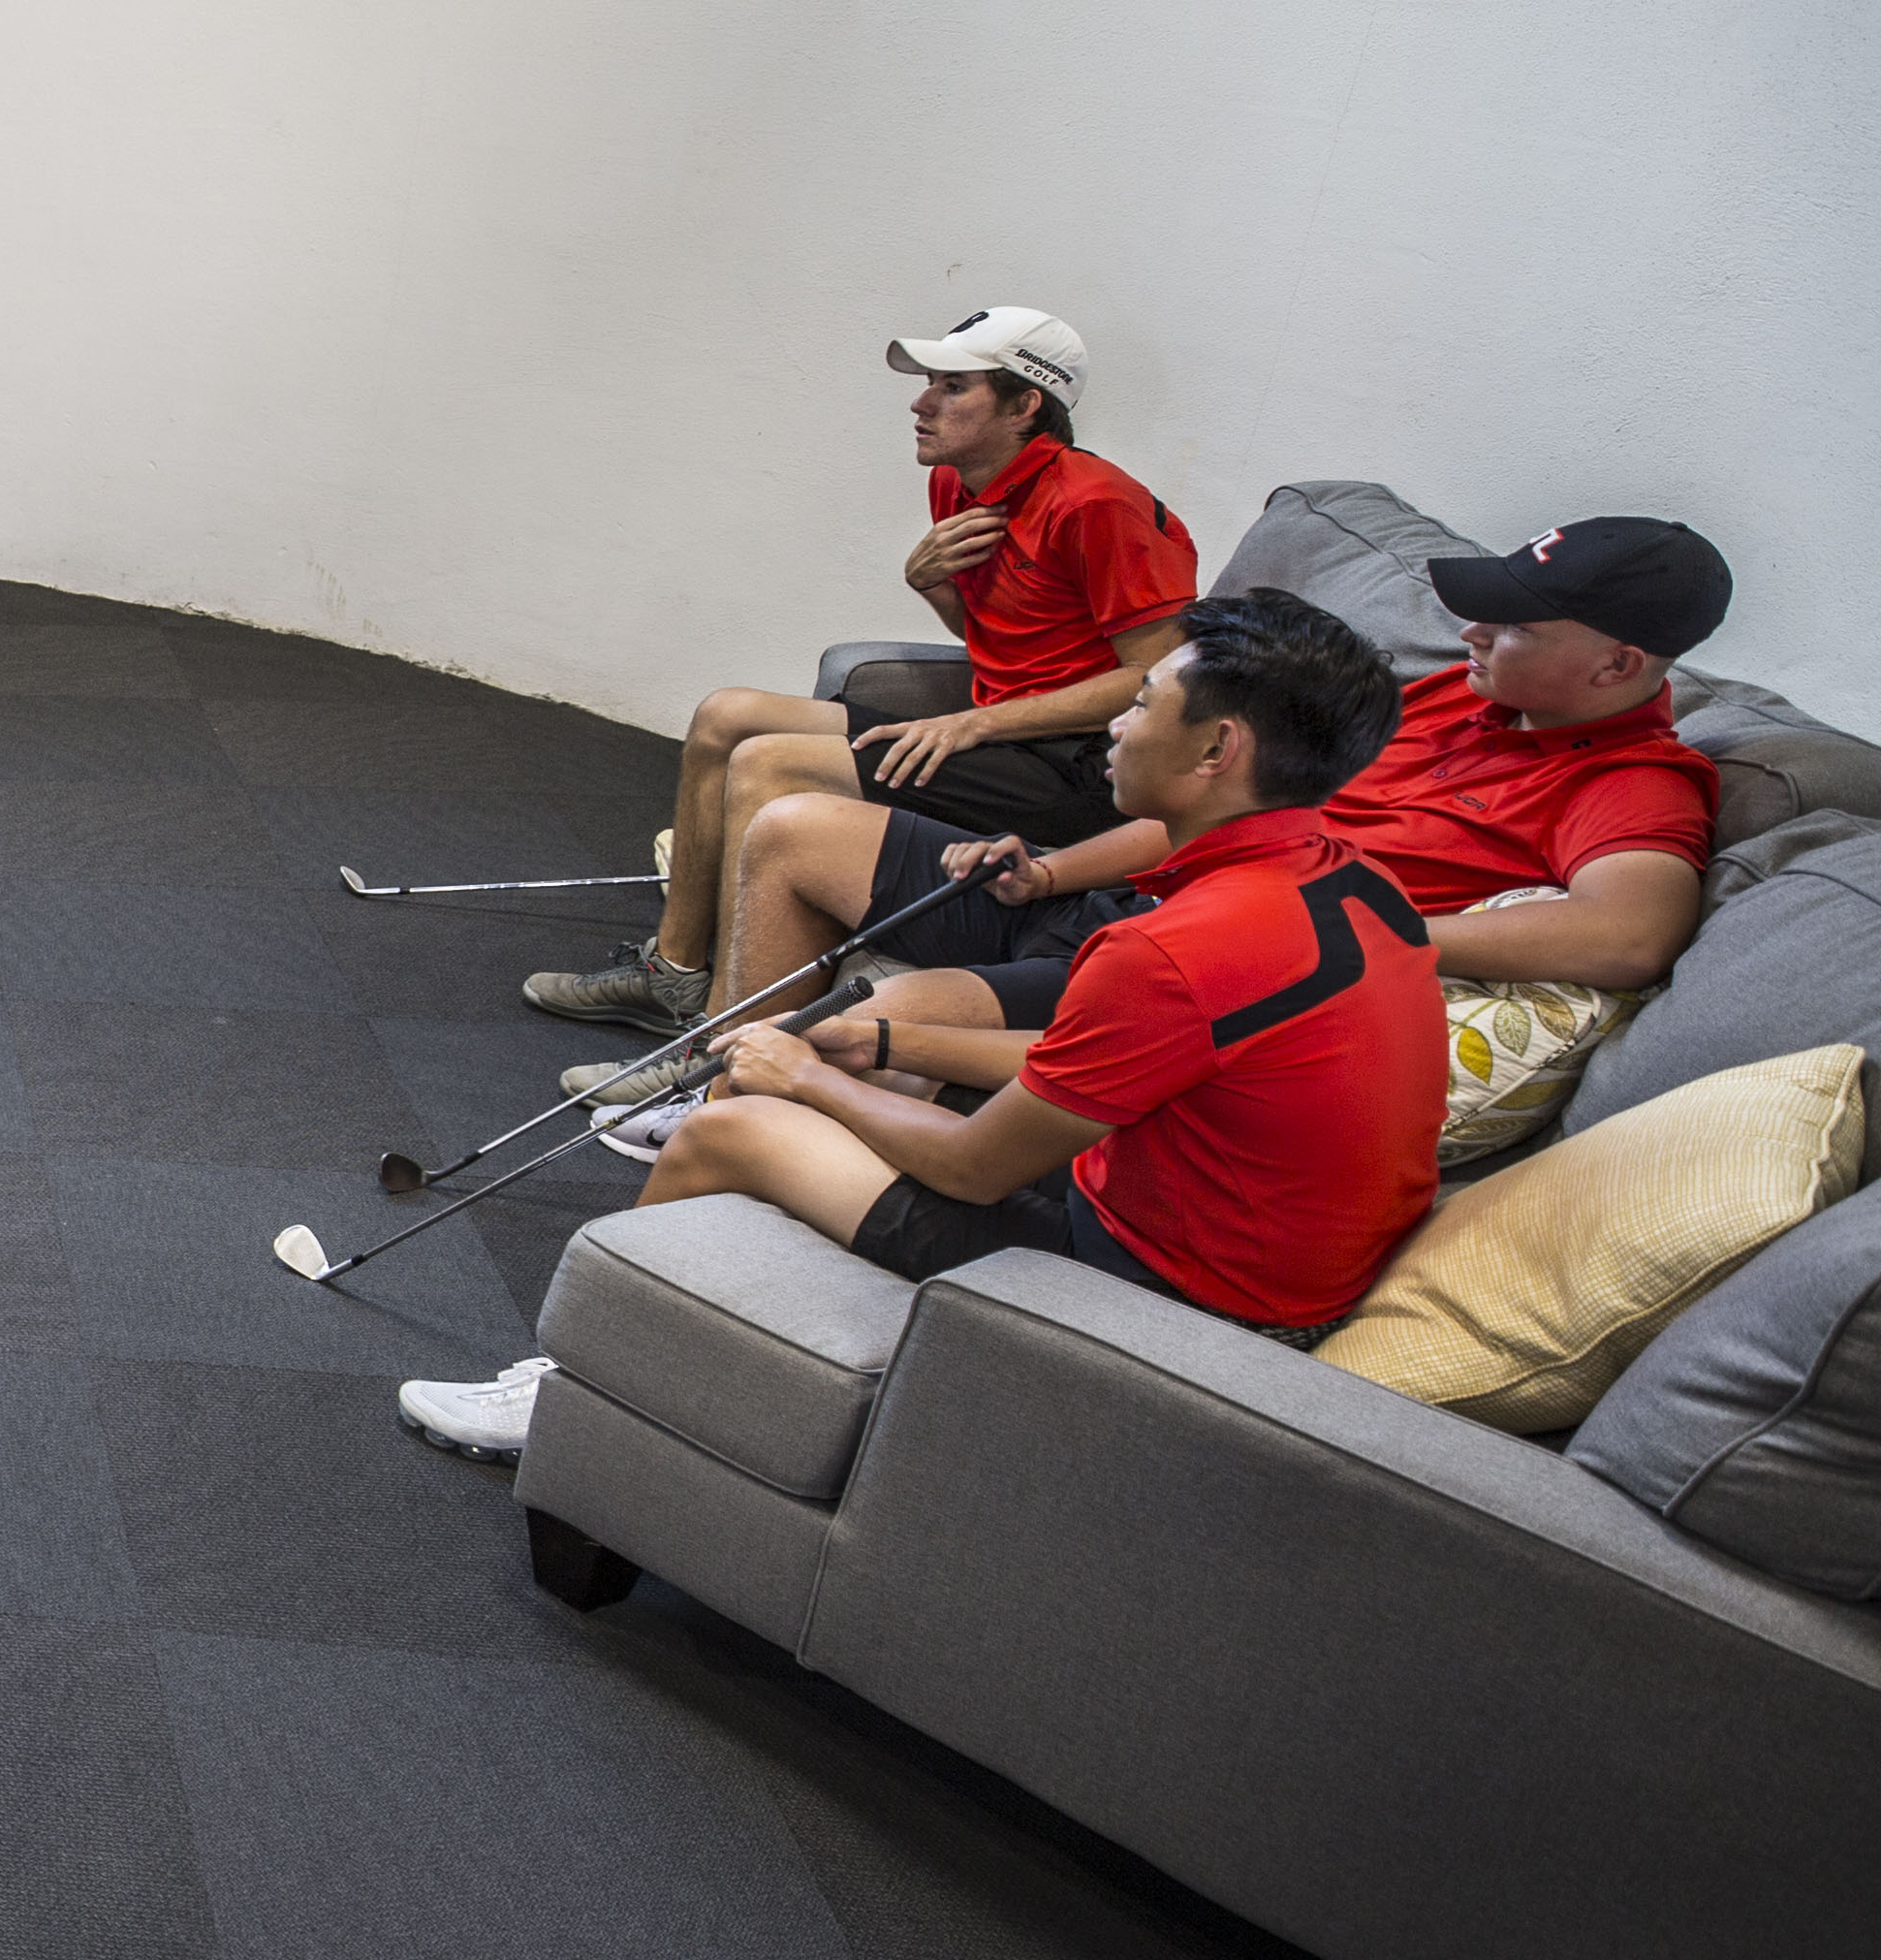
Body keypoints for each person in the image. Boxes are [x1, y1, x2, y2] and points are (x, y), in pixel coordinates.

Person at [403, 590, 1446, 1461]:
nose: (1119, 727)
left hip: (1171, 1302)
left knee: (731, 1127)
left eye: (1141, 703)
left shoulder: (1170, 949)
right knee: (882, 1064)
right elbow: (1119, 1068)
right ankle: (716, 1332)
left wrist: (800, 1076)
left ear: (1218, 747)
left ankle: (569, 1398)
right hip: (1242, 1246)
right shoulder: (1353, 884)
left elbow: (975, 1171)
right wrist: (881, 1043)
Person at [693, 515, 1733, 1064]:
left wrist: (1370, 931)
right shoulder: (1448, 698)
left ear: (1616, 664)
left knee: (901, 1015)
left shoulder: (1638, 782)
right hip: (1110, 899)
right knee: (793, 826)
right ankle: (703, 1059)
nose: (1473, 632)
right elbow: (1219, 807)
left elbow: (1627, 937)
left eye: (1514, 627)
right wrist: (1047, 872)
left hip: (1188, 962)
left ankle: (728, 1104)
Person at [531, 306, 1195, 1035]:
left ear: (1024, 406)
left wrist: (972, 724)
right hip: (999, 735)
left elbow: (1154, 678)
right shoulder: (958, 482)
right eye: (929, 383)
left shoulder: (1100, 504)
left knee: (769, 763)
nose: (921, 403)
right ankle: (676, 974)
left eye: (952, 387)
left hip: (1078, 765)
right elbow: (1002, 636)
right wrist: (931, 585)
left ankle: (729, 1031)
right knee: (726, 715)